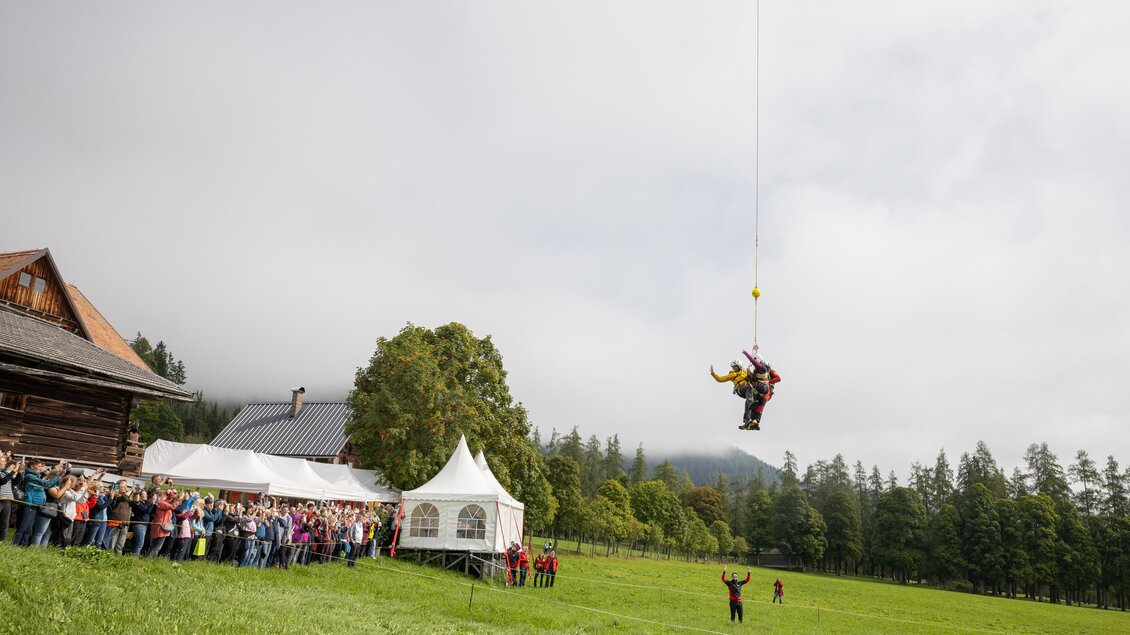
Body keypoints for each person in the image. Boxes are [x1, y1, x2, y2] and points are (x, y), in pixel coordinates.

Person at [710, 360, 760, 430]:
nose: (734, 368)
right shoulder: (732, 374)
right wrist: (713, 374)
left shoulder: (745, 371)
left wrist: (750, 373)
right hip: (740, 389)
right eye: (733, 367)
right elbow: (721, 379)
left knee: (748, 402)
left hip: (748, 391)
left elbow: (754, 376)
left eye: (735, 366)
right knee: (750, 395)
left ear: (739, 366)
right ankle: (751, 402)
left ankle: (747, 420)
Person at [739, 350, 781, 430]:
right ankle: (753, 421)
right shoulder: (758, 372)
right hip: (760, 390)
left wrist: (767, 382)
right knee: (754, 405)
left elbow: (778, 378)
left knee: (759, 405)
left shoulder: (769, 371)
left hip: (767, 392)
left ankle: (752, 420)